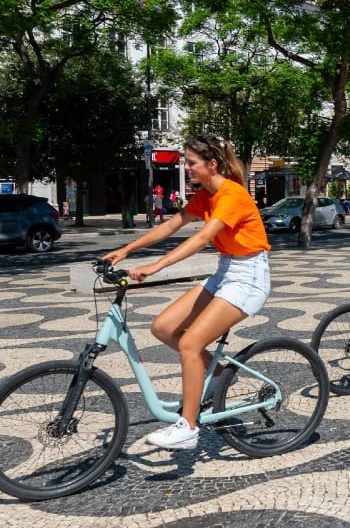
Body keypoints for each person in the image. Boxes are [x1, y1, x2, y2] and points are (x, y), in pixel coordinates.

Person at [101, 135, 270, 451]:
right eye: (185, 162)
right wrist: (126, 249)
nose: (186, 167)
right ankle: (220, 376)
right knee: (163, 328)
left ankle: (188, 427)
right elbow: (170, 226)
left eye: (191, 162)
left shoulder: (231, 195)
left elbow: (203, 237)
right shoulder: (205, 195)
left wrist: (156, 266)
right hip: (226, 271)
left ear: (212, 165)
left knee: (191, 343)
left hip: (249, 277)